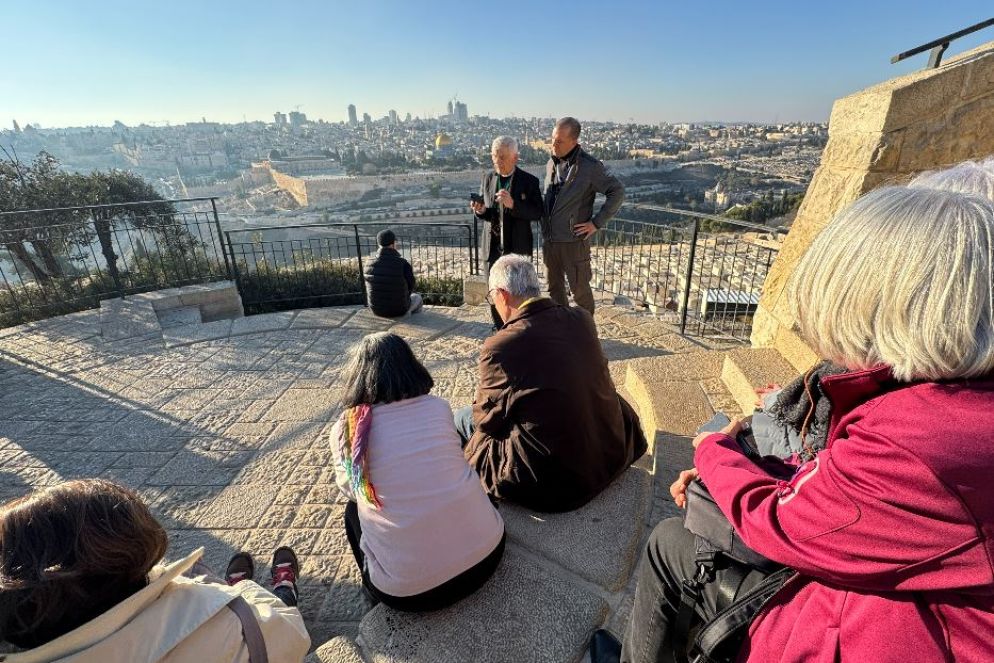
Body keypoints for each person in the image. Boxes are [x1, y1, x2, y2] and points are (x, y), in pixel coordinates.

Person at [619, 183, 994, 662]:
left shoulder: (918, 439)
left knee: (668, 543)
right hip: (878, 606)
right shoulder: (951, 407)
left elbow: (775, 520)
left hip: (851, 629)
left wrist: (713, 449)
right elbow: (842, 493)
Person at [0, 479, 310, 662]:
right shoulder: (224, 622)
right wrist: (234, 596)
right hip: (246, 616)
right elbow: (292, 634)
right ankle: (278, 588)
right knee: (275, 604)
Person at [455, 255, 647, 512]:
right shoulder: (581, 318)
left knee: (462, 418)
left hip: (560, 483)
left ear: (502, 294)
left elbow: (487, 420)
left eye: (492, 298)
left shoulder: (501, 346)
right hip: (612, 454)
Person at [329, 332, 505, 612]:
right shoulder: (438, 408)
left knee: (353, 511)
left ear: (356, 377)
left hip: (410, 595)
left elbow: (352, 489)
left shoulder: (347, 429)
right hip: (489, 554)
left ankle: (372, 590)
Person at [541, 116, 625, 315]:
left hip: (574, 242)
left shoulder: (590, 167)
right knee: (554, 290)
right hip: (550, 241)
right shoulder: (551, 164)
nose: (554, 144)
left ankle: (585, 333)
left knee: (580, 293)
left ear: (574, 141)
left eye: (559, 141)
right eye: (553, 139)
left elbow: (617, 191)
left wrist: (596, 223)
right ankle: (562, 329)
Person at [470, 136, 544, 327]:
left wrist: (513, 204)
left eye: (502, 157)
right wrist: (481, 211)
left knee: (519, 295)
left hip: (517, 249)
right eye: (494, 156)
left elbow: (537, 212)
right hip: (492, 250)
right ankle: (499, 330)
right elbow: (490, 214)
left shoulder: (529, 181)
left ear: (515, 158)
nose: (497, 161)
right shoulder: (487, 178)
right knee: (495, 294)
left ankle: (520, 330)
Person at [363, 229, 423, 318]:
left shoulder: (368, 263)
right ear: (393, 244)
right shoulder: (403, 263)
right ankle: (410, 319)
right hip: (399, 310)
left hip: (376, 309)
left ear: (379, 244)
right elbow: (411, 285)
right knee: (417, 298)